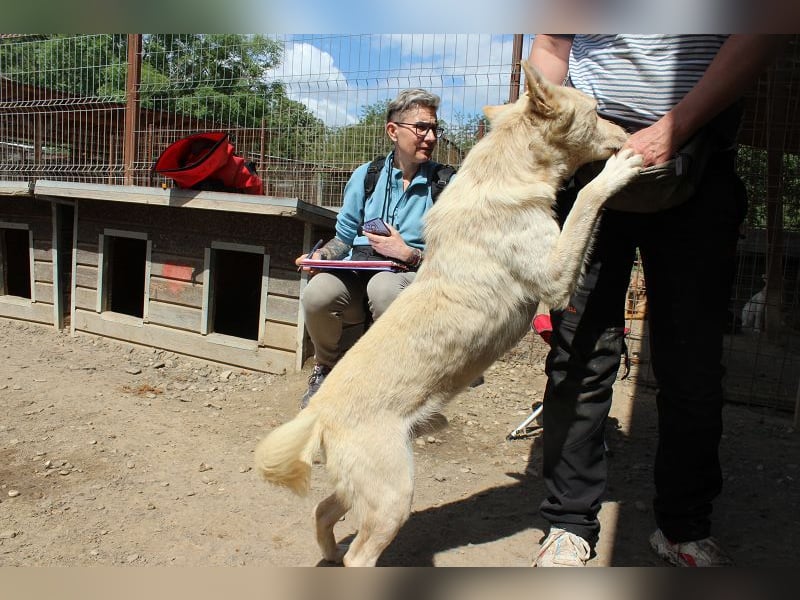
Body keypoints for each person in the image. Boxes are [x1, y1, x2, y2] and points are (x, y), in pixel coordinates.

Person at [527, 34, 786, 566]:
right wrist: (539, 127)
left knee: (691, 361)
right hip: (590, 163)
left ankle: (682, 526)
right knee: (579, 353)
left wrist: (675, 127)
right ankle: (568, 521)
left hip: (698, 159)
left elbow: (758, 35)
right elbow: (551, 42)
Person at [296, 88, 447, 408]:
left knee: (384, 287)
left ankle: (394, 382)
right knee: (317, 293)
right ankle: (327, 368)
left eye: (435, 128)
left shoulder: (446, 184)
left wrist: (408, 254)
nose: (431, 137)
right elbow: (343, 239)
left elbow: (457, 256)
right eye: (421, 128)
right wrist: (321, 256)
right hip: (360, 270)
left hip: (414, 277)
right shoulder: (367, 176)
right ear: (393, 131)